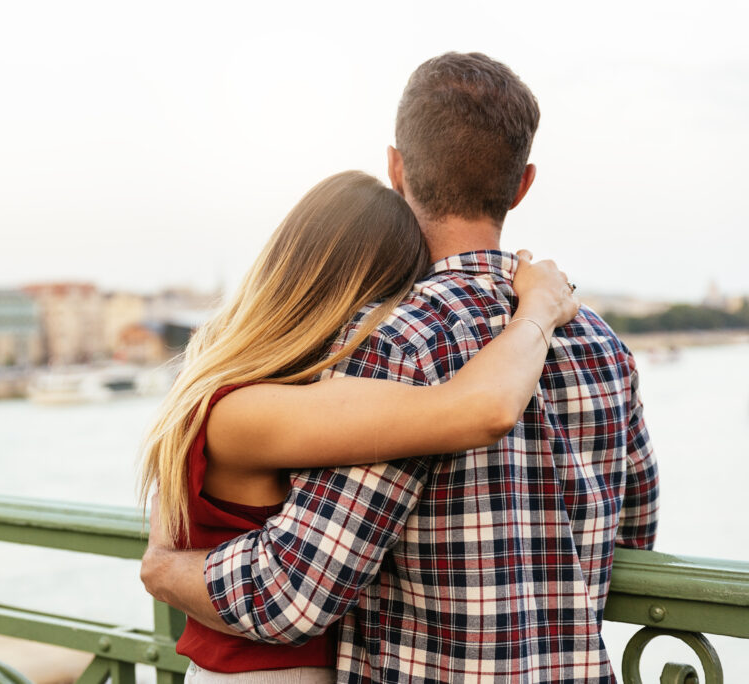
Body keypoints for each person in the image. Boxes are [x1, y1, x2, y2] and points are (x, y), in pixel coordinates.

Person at [141, 52, 659, 683]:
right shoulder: (601, 342)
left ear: (396, 169)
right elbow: (635, 541)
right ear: (522, 185)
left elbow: (291, 597)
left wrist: (166, 567)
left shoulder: (393, 344)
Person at [139, 169, 578, 682]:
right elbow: (480, 410)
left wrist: (167, 567)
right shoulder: (249, 411)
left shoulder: (228, 391)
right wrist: (540, 308)